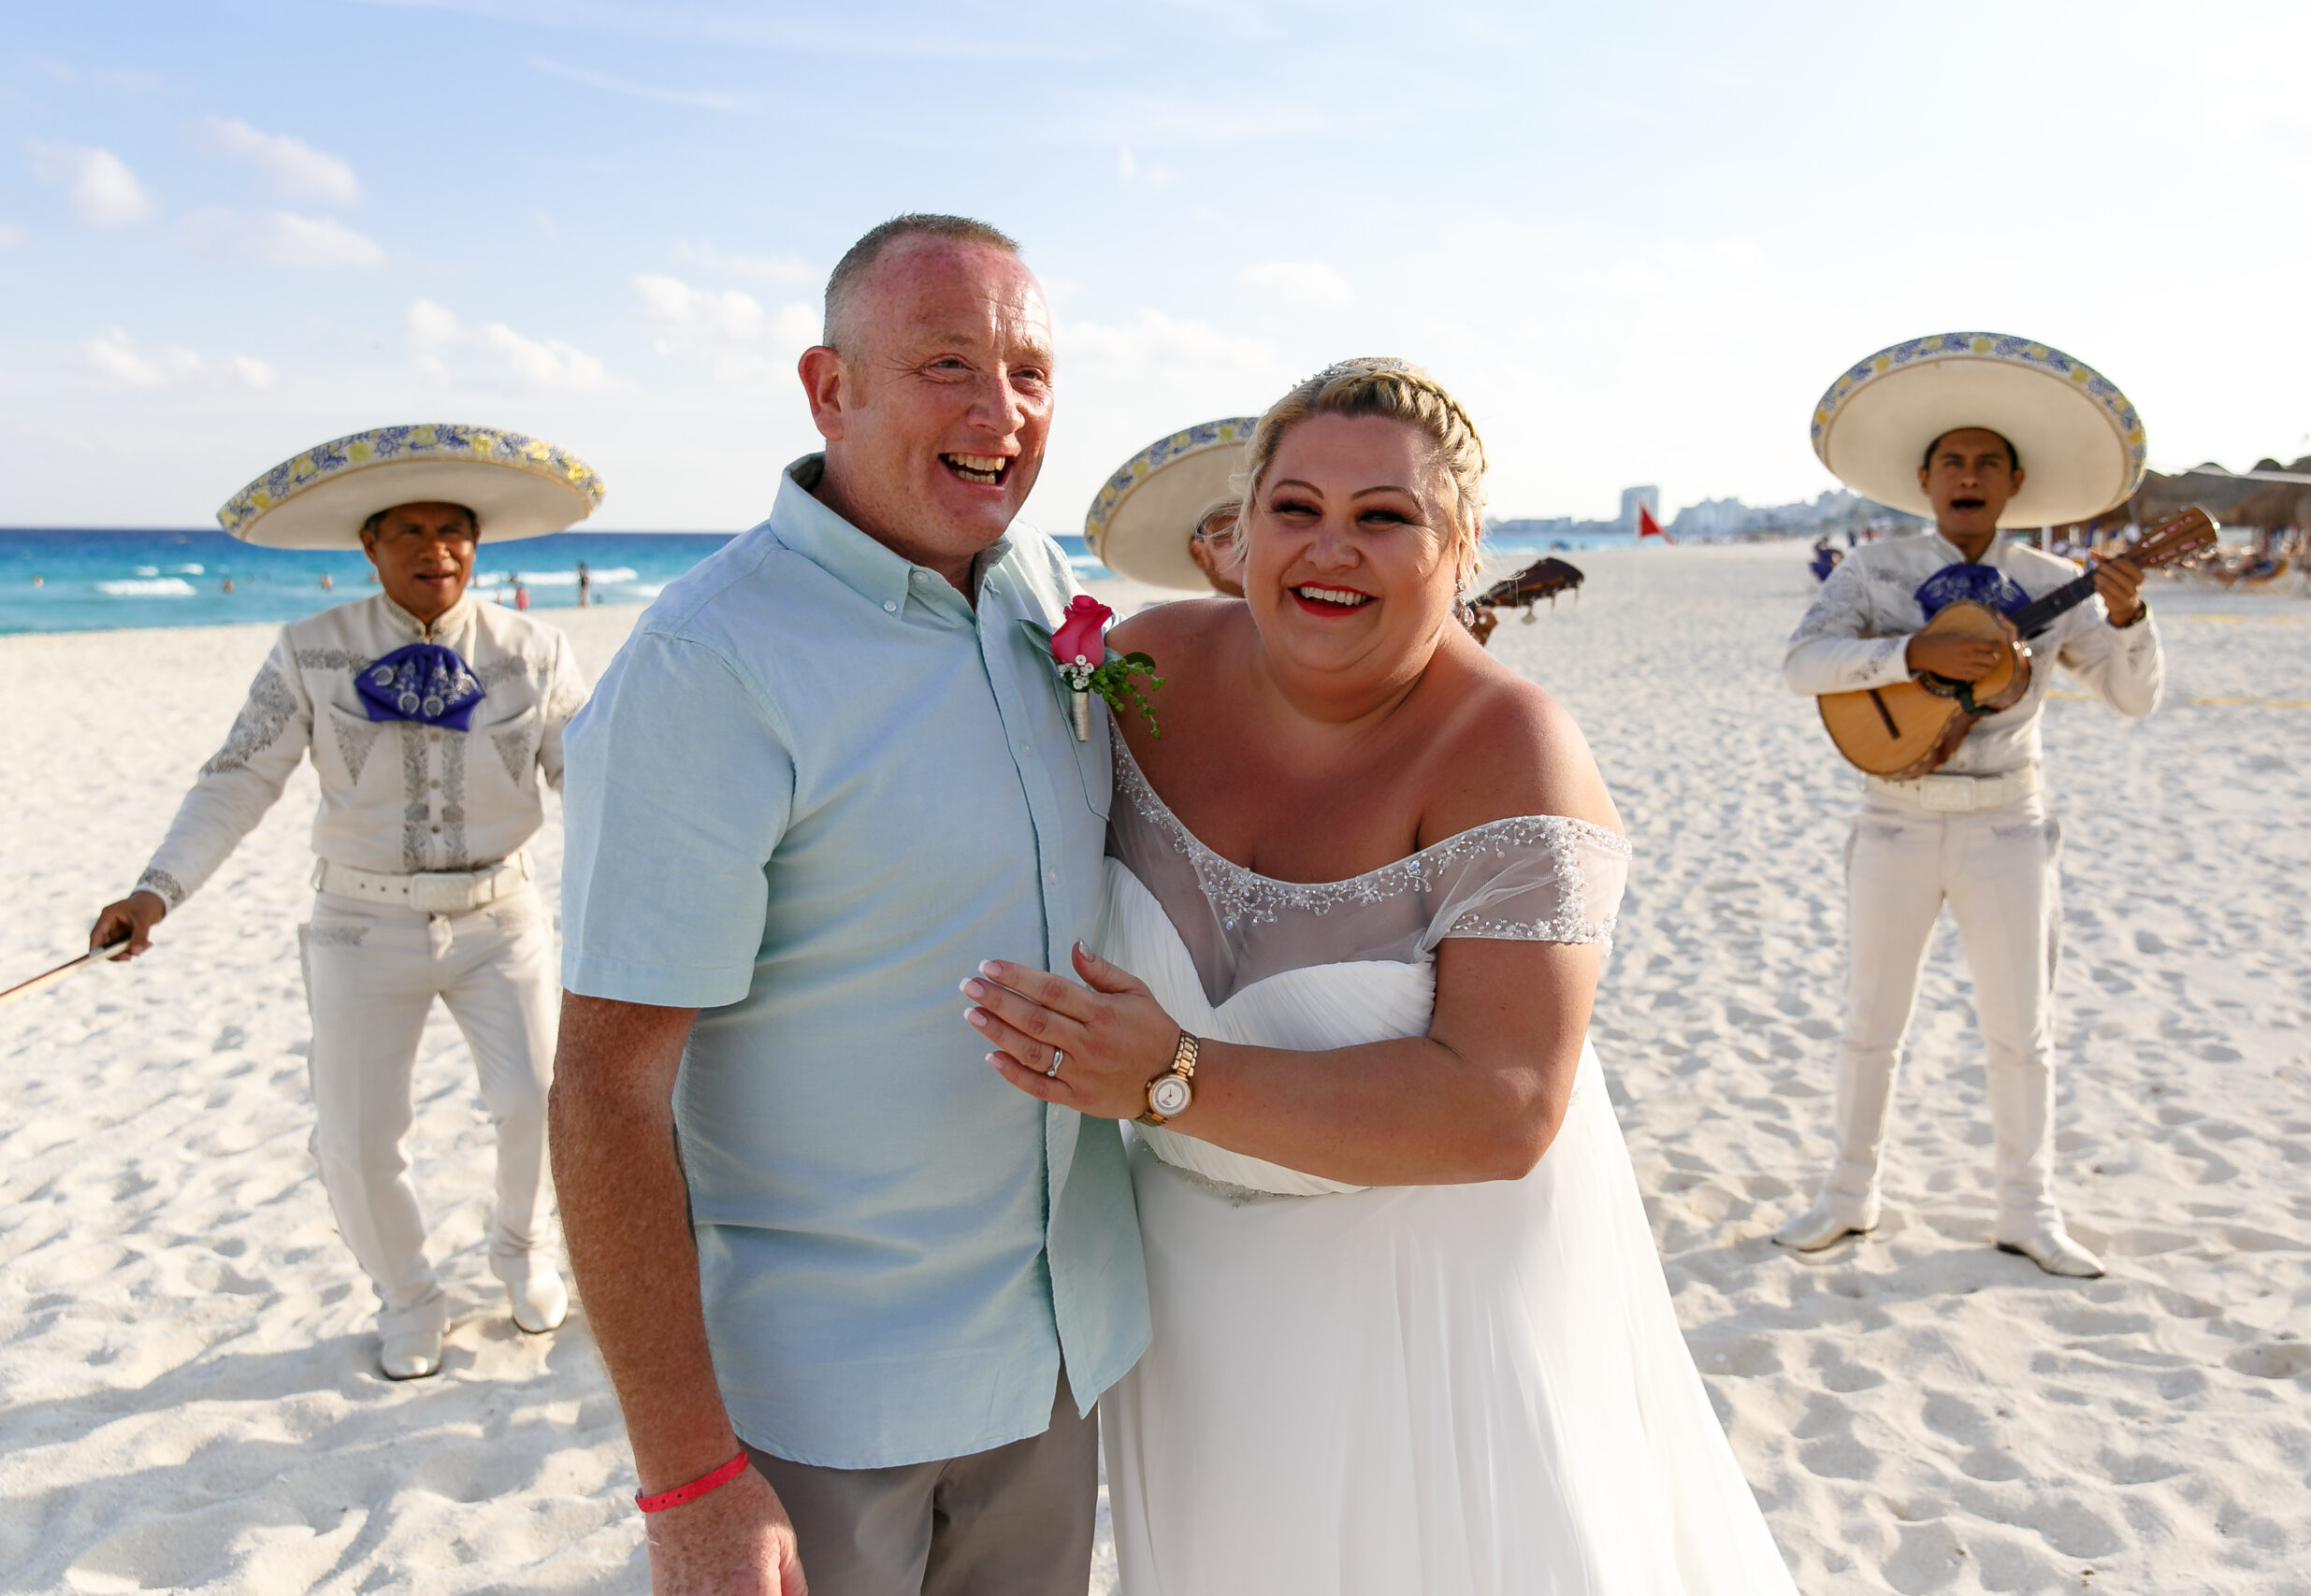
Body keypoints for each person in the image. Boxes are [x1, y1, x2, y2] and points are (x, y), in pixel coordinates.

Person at [965, 358, 1799, 1594]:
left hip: (1440, 1300)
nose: (1330, 548)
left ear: (1461, 546)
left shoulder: (1513, 749)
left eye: (1385, 517)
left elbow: (1507, 1103)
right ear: (1237, 532)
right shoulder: (1143, 675)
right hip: (1195, 1297)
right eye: (1296, 508)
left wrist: (1171, 1076)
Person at [550, 214, 1147, 1596]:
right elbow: (604, 1088)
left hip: (1060, 1359)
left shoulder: (1041, 593)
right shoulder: (712, 661)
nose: (1000, 411)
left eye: (1032, 372)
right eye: (948, 363)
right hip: (826, 1404)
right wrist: (691, 1478)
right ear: (832, 389)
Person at [89, 423, 605, 1378]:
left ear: (476, 543)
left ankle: (524, 1253)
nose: (433, 548)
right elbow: (237, 778)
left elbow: (600, 781)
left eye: (452, 529)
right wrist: (157, 890)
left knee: (537, 1102)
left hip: (503, 922)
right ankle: (408, 1296)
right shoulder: (309, 651)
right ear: (368, 547)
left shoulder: (535, 652)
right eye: (407, 531)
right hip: (361, 928)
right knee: (360, 1135)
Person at [1774, 332, 2163, 1277]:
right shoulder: (1873, 570)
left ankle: (2029, 1211)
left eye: (1988, 461)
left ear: (2014, 482)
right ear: (1922, 476)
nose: (1969, 474)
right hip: (1893, 818)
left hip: (2008, 824)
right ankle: (1847, 1195)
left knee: (2019, 1029)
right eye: (1953, 459)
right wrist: (1908, 656)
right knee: (1871, 1020)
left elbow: (2133, 697)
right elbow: (1801, 666)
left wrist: (2128, 619)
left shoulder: (2047, 584)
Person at [1083, 415, 1258, 598]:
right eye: (1232, 533)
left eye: (1263, 529)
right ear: (1199, 554)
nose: (1251, 544)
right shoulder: (1186, 626)